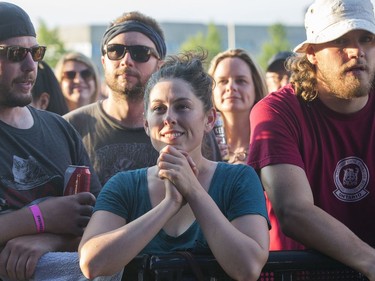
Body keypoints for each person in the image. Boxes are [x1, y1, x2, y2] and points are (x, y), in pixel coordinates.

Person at [78, 52, 270, 281]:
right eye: (159, 108)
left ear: (209, 119)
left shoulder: (239, 179)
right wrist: (169, 205)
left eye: (182, 106)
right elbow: (91, 264)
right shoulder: (124, 185)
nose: (169, 117)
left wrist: (194, 191)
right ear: (147, 124)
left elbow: (247, 268)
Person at [248, 0, 375, 279]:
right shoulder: (276, 112)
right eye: (341, 40)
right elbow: (294, 211)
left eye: (366, 39)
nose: (357, 51)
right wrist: (370, 262)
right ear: (312, 53)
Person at [0, 2, 101, 280]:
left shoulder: (60, 128)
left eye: (35, 52)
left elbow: (101, 223)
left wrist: (51, 240)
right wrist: (39, 217)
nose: (31, 65)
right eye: (15, 53)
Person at [64, 11, 221, 186]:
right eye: (115, 51)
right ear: (103, 61)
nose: (126, 60)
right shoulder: (70, 127)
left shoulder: (191, 129)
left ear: (159, 65)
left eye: (140, 53)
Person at [208, 49, 268, 164]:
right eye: (223, 81)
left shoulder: (272, 143)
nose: (231, 87)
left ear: (256, 88)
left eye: (241, 81)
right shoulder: (202, 146)